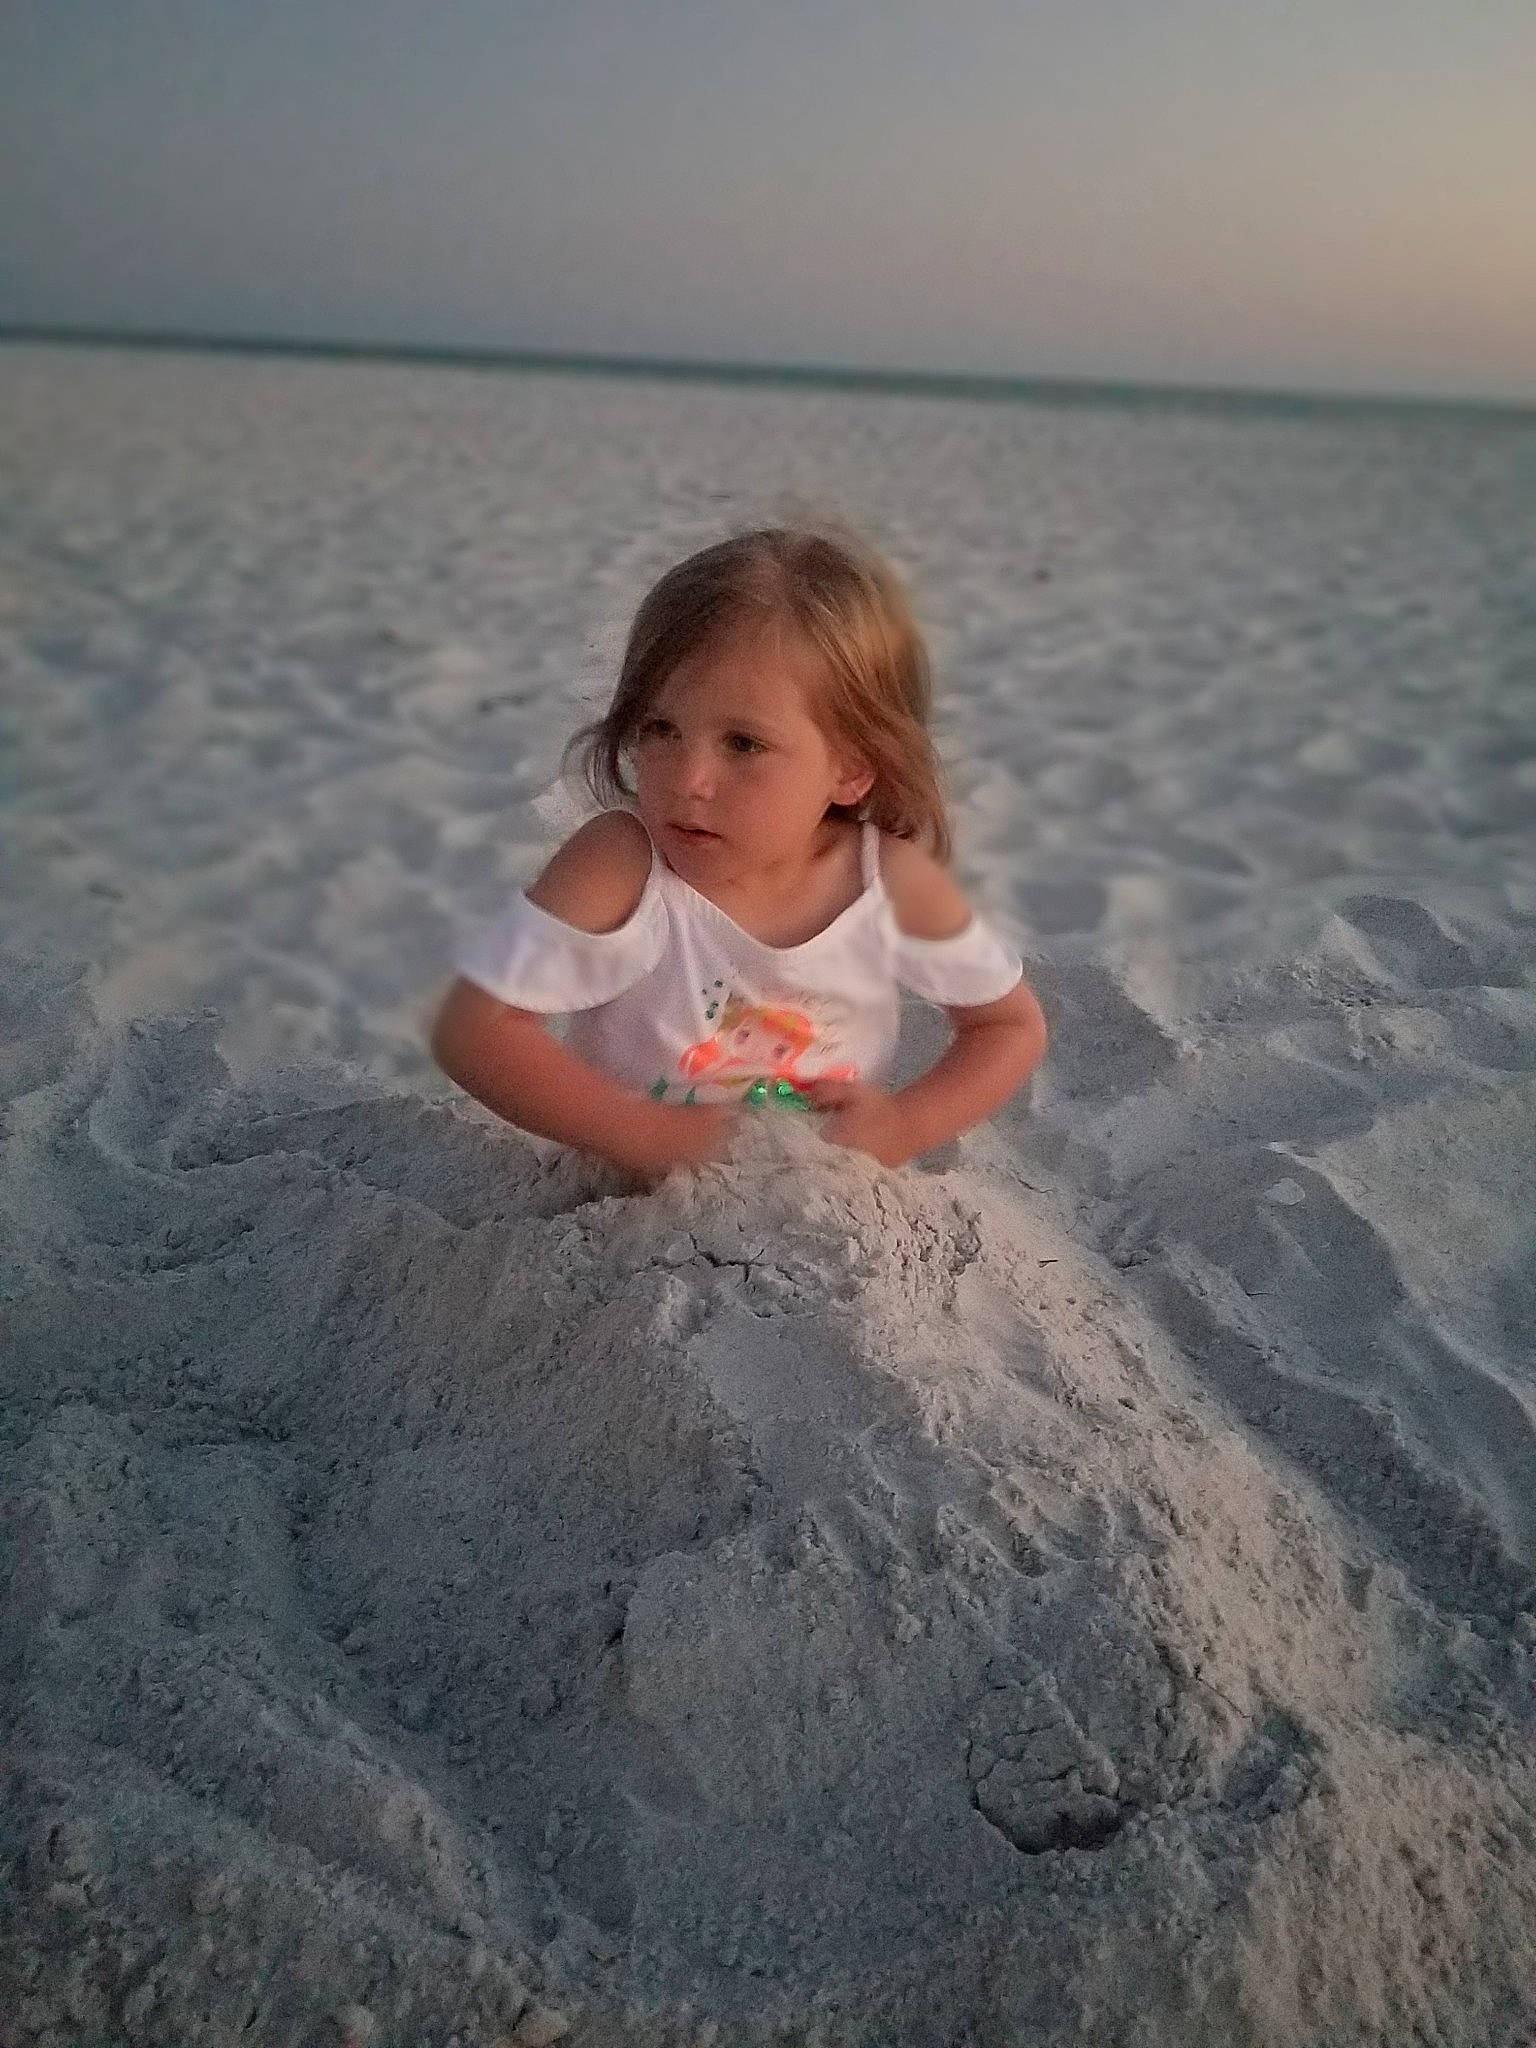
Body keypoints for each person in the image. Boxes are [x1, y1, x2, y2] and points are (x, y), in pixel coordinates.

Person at [431, 526, 1047, 1178]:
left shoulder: (888, 883)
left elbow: (1008, 1028)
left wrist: (902, 1126)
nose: (687, 779)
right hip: (628, 1215)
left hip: (825, 1207)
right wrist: (639, 1132)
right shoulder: (622, 864)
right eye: (661, 728)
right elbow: (473, 1026)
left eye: (744, 744)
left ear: (852, 767)